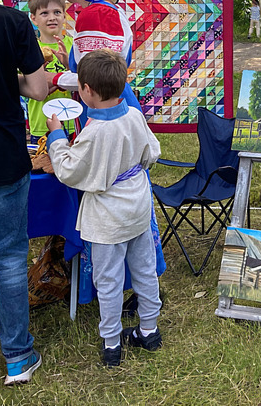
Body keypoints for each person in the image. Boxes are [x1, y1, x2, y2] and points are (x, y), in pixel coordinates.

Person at [48, 0, 166, 306]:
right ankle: (136, 284)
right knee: (128, 186)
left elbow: (93, 76)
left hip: (104, 109)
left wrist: (59, 80)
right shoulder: (109, 6)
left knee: (108, 191)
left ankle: (118, 286)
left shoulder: (93, 17)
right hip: (116, 102)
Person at [47, 49, 162, 367]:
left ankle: (112, 344)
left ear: (85, 91)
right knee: (144, 271)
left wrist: (56, 135)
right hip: (137, 211)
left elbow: (69, 171)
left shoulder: (94, 133)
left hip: (108, 221)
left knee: (109, 282)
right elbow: (152, 152)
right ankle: (149, 330)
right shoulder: (134, 116)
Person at [0, 0, 48, 385]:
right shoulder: (12, 22)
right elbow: (39, 88)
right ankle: (17, 359)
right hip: (3, 156)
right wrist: (7, 81)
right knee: (8, 259)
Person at [26, 0, 75, 142]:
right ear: (33, 18)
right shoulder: (28, 49)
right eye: (45, 13)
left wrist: (68, 66)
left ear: (64, 15)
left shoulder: (74, 46)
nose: (52, 17)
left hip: (73, 121)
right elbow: (26, 86)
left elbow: (83, 81)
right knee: (43, 165)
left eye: (57, 12)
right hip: (42, 123)